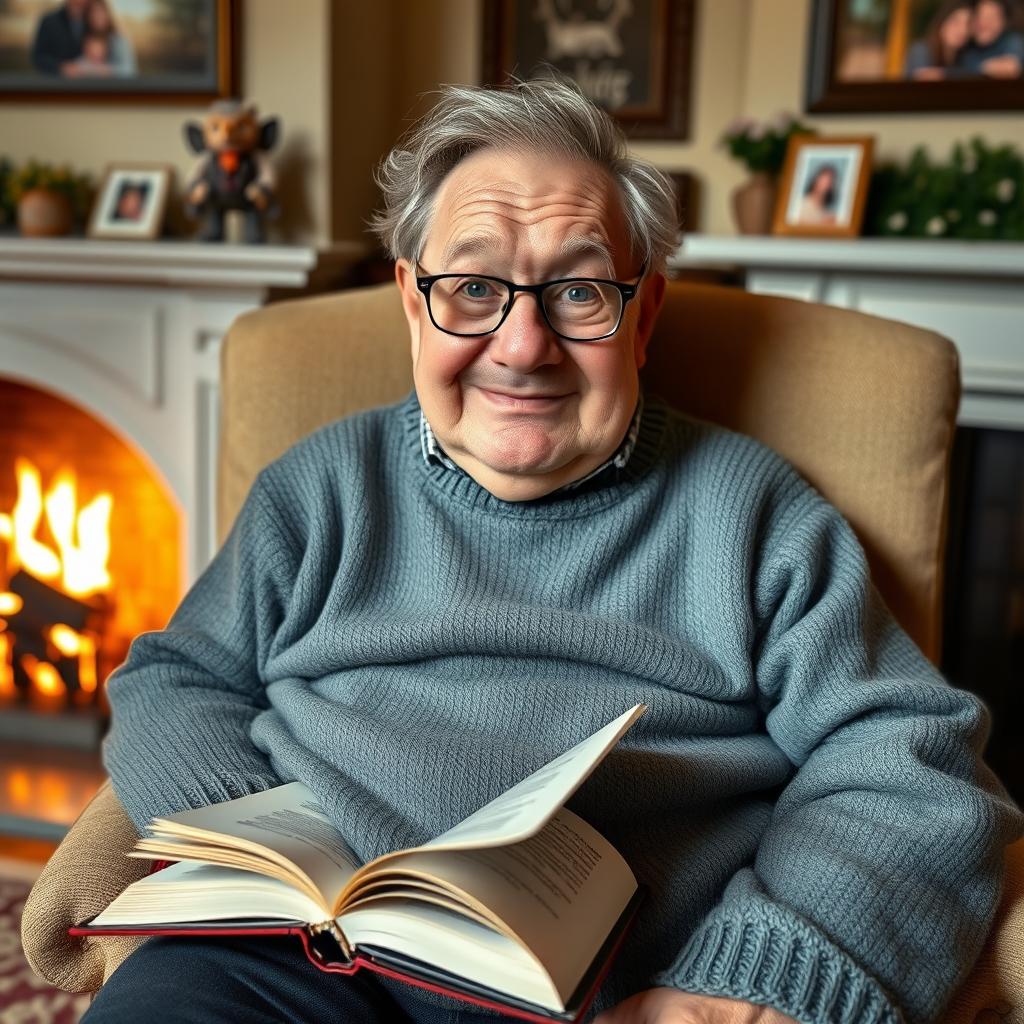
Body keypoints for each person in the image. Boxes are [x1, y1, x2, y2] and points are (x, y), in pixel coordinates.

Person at [81, 75, 1023, 1024]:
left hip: (604, 984)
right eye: (475, 288)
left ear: (644, 313)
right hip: (303, 958)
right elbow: (177, 675)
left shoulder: (754, 516)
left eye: (577, 291)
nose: (523, 346)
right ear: (413, 302)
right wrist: (264, 849)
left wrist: (749, 980)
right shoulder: (319, 487)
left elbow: (909, 762)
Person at [904, 0, 974, 79]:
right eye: (955, 22)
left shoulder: (966, 56)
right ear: (942, 22)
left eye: (968, 24)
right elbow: (923, 78)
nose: (963, 30)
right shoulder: (921, 50)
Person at [956, 0, 1024, 77]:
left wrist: (982, 68)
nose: (984, 23)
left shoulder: (1011, 41)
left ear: (1003, 23)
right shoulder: (964, 43)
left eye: (992, 18)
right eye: (979, 16)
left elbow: (1011, 66)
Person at [30, 0, 88, 76]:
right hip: (55, 83)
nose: (78, 2)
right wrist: (61, 67)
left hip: (87, 84)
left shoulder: (93, 21)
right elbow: (38, 57)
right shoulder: (50, 22)